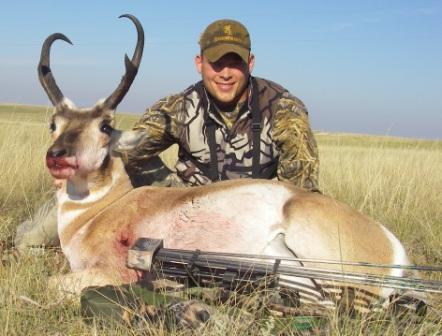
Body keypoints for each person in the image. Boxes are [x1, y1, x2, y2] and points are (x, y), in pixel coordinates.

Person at [14, 18, 319, 252]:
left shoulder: (284, 111)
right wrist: (74, 159)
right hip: (183, 209)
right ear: (199, 63)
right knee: (119, 155)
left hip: (250, 216)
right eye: (216, 63)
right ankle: (37, 238)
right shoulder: (178, 107)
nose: (225, 73)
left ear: (249, 63)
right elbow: (122, 147)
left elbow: (303, 192)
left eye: (235, 63)